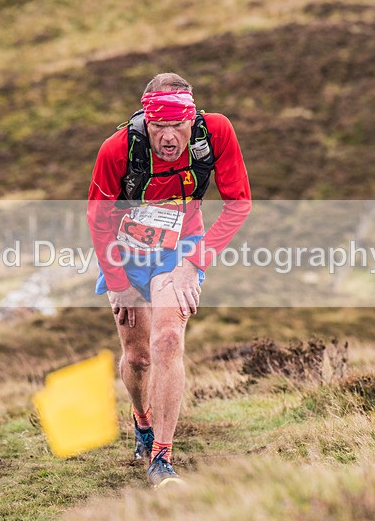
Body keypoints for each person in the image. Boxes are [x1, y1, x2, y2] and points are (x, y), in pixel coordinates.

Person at [86, 73, 251, 487]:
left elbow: (239, 204)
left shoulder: (215, 133)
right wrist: (118, 282)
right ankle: (141, 421)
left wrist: (193, 262)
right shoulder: (118, 149)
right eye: (159, 126)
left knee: (167, 340)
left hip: (180, 248)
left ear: (191, 118)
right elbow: (97, 218)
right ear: (146, 120)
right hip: (125, 250)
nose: (169, 137)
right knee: (138, 356)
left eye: (177, 125)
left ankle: (162, 457)